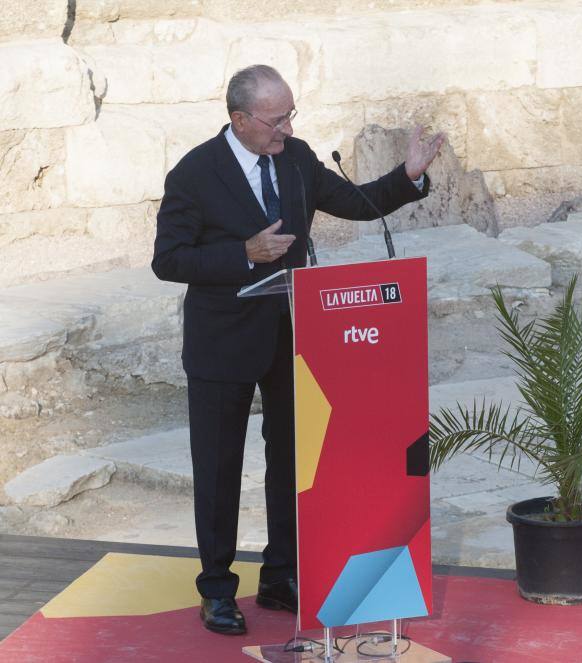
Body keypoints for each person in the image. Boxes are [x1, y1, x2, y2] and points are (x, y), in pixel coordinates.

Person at [151, 64, 444, 635]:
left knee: (292, 462)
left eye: (290, 114)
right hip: (222, 347)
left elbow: (355, 202)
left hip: (293, 338)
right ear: (240, 120)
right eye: (276, 118)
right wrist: (244, 254)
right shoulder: (194, 174)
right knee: (218, 470)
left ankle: (282, 575)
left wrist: (406, 176)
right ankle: (216, 588)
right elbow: (169, 259)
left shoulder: (296, 156)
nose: (286, 127)